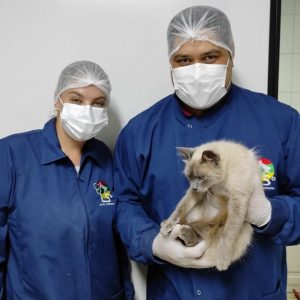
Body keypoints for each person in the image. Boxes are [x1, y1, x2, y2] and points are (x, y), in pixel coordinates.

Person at [114, 5, 300, 300]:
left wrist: (269, 214)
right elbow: (125, 204)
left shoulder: (281, 122)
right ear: (170, 63)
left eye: (210, 57)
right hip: (174, 291)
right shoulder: (140, 133)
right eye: (184, 59)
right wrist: (153, 243)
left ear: (231, 57)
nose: (197, 69)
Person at [0, 61, 134, 300]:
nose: (88, 109)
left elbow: (116, 245)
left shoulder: (105, 157)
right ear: (57, 101)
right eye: (76, 99)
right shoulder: (12, 154)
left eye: (98, 103)